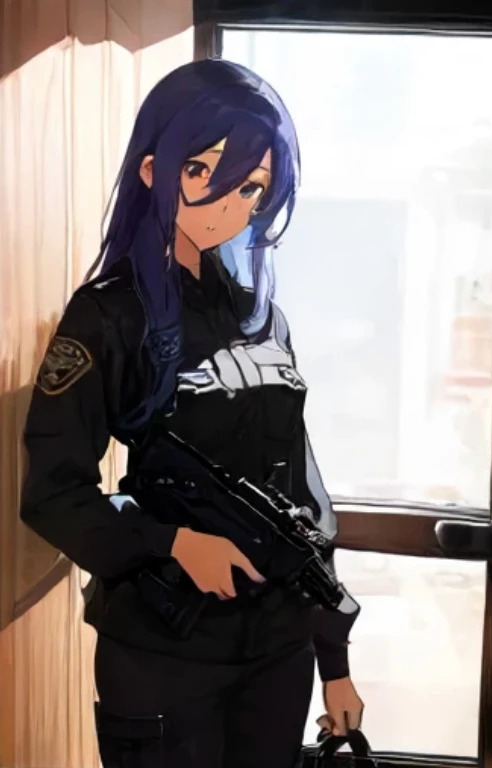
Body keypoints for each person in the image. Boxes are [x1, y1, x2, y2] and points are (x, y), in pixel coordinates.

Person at [19, 59, 363, 768]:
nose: (228, 204)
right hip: (163, 653)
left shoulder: (263, 319)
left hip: (276, 653)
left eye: (252, 186)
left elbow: (304, 494)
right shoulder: (110, 316)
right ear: (153, 170)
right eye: (202, 171)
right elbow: (53, 494)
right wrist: (172, 543)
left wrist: (334, 661)